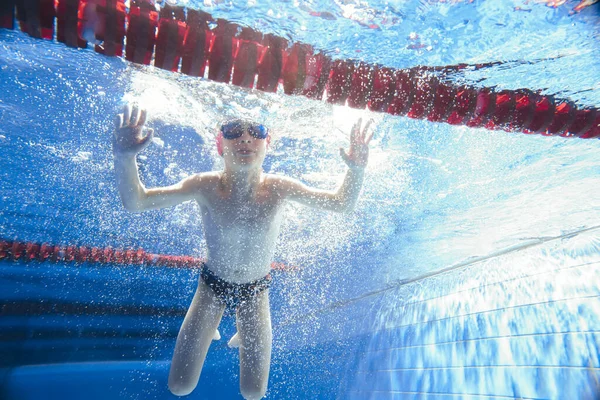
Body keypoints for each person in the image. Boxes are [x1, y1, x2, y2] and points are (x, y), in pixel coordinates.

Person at [112, 104, 373, 399]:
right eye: (234, 131)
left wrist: (357, 170)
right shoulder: (204, 185)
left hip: (256, 291)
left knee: (253, 392)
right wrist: (125, 158)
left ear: (268, 142)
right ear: (220, 143)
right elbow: (137, 202)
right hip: (211, 288)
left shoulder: (280, 188)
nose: (245, 139)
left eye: (256, 131)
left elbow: (341, 204)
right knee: (179, 386)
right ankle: (216, 326)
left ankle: (240, 327)